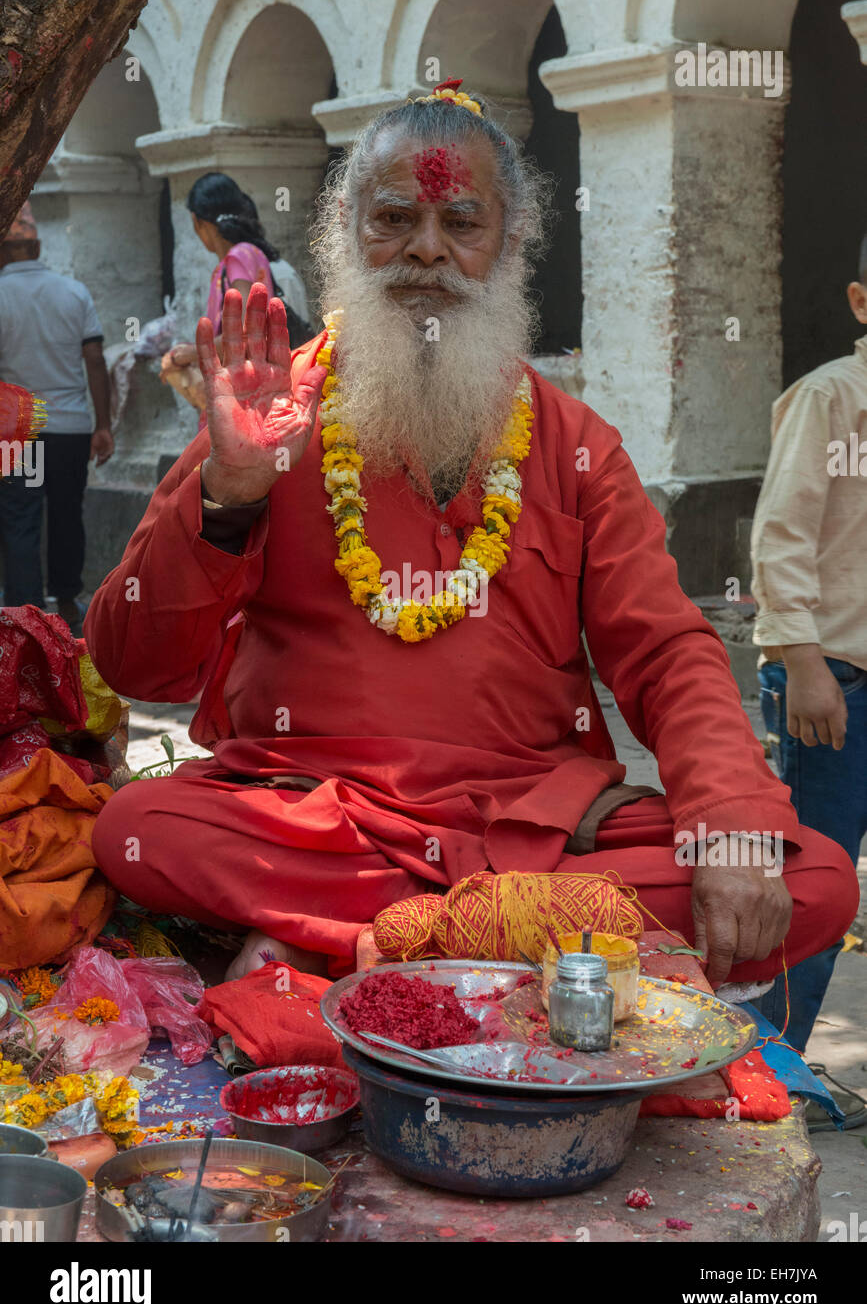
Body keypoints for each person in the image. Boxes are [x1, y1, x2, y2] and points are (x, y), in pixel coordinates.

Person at [85, 82, 857, 1000]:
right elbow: (136, 665)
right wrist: (228, 495)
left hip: (536, 820)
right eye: (394, 219)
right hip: (317, 813)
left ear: (510, 245)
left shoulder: (573, 444)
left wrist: (728, 821)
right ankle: (499, 945)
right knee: (144, 825)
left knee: (813, 877)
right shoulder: (268, 417)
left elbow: (662, 650)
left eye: (461, 221)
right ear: (344, 232)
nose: (426, 248)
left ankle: (367, 942)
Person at [750, 236, 867, 1050]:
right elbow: (781, 532)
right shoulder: (831, 398)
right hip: (832, 677)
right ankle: (771, 1062)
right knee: (818, 873)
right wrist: (799, 662)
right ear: (861, 303)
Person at [0, 202, 113, 633]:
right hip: (70, 429)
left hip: (22, 435)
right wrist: (102, 425)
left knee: (21, 519)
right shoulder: (74, 292)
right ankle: (67, 603)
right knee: (67, 513)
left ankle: (26, 620)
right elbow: (95, 359)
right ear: (39, 246)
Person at [162, 175, 312, 419]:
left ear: (198, 222)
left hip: (243, 399)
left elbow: (242, 334)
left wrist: (187, 354)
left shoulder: (237, 257)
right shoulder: (252, 253)